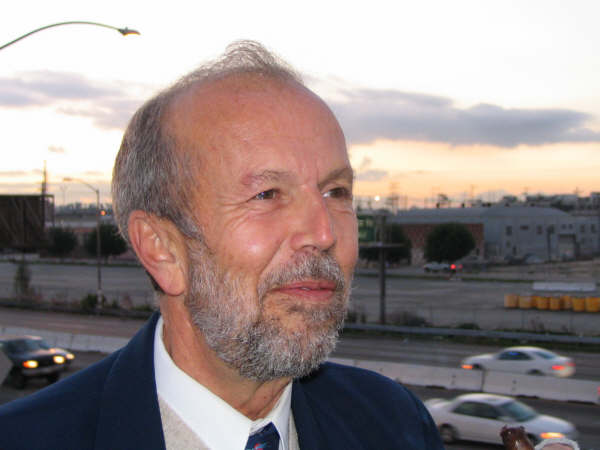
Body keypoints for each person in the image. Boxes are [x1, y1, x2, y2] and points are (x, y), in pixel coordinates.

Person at [0, 41, 443, 449]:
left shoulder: (396, 424)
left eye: (336, 192)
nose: (324, 233)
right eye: (267, 195)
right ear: (161, 248)